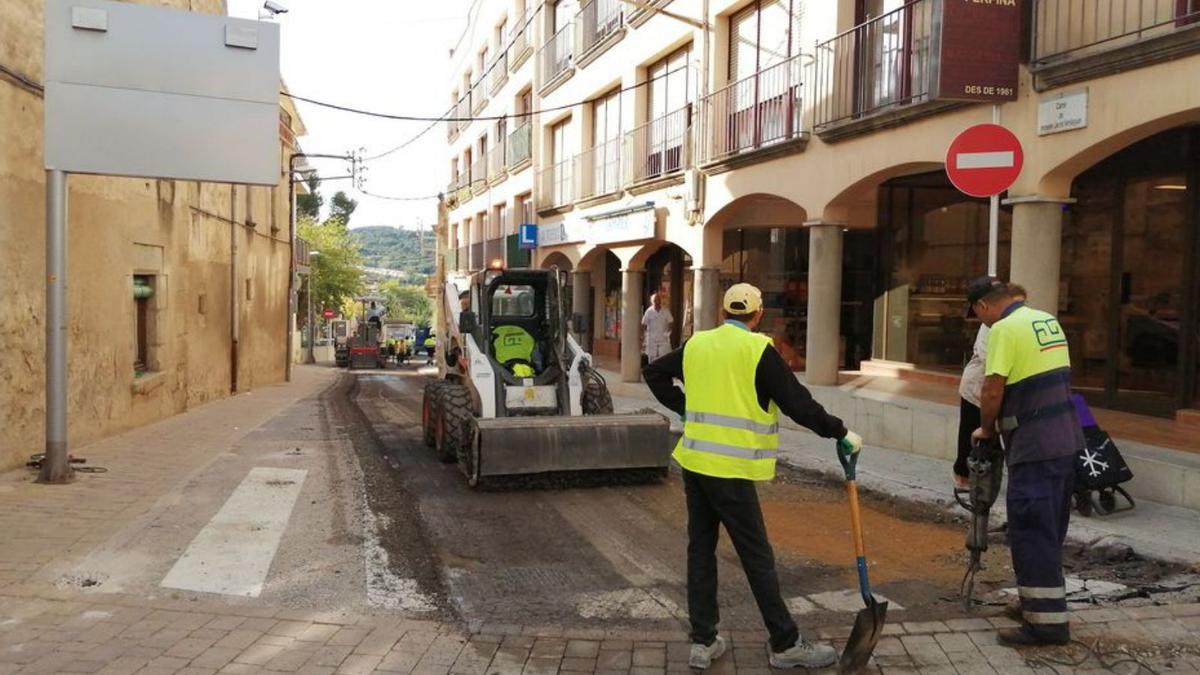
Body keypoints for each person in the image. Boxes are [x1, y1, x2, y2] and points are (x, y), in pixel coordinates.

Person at [643, 283, 863, 670]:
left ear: (723, 312)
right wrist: (840, 432)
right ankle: (785, 643)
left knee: (701, 550)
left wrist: (685, 408)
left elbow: (654, 372)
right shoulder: (759, 350)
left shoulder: (697, 344)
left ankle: (703, 641)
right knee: (756, 556)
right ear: (758, 314)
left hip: (696, 464)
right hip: (731, 471)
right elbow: (799, 405)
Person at [968, 276, 1082, 647]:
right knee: (1050, 531)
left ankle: (1046, 626)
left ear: (984, 306)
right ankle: (1039, 604)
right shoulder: (1046, 320)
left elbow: (993, 386)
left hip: (1035, 446)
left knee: (1031, 531)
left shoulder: (1002, 329)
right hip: (1065, 440)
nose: (980, 321)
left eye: (976, 314)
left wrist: (986, 429)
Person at [955, 284, 1026, 488]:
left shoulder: (1016, 324)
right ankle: (965, 479)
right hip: (977, 389)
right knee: (972, 435)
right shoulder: (993, 326)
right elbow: (991, 367)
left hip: (1000, 391)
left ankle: (988, 479)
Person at [641, 292, 674, 364]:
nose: (656, 302)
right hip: (652, 340)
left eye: (658, 300)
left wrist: (668, 332)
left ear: (660, 301)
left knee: (664, 359)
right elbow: (643, 324)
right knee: (652, 360)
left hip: (663, 339)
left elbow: (671, 322)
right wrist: (642, 336)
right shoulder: (649, 312)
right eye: (654, 301)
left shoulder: (665, 311)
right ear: (652, 302)